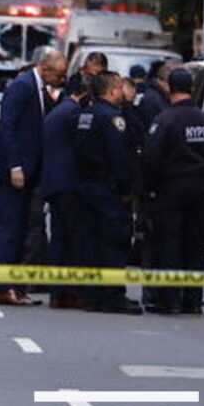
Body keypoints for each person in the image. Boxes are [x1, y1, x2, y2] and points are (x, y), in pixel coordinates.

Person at [0, 49, 67, 306]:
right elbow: (7, 127)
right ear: (45, 69)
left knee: (22, 231)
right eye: (59, 74)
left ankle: (17, 286)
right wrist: (15, 166)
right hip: (14, 171)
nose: (62, 79)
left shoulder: (40, 88)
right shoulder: (22, 87)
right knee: (10, 230)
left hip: (30, 170)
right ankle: (4, 287)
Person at [141, 68, 204, 315]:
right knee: (195, 245)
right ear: (192, 89)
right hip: (198, 190)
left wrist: (148, 189)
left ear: (169, 88)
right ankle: (193, 299)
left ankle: (170, 299)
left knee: (169, 244)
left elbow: (151, 158)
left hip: (170, 189)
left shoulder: (165, 120)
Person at [72, 71, 142, 314]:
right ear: (112, 91)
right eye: (121, 87)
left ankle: (93, 295)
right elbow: (119, 158)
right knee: (114, 241)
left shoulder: (86, 115)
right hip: (108, 190)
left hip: (86, 186)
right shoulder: (112, 118)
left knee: (91, 242)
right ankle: (113, 296)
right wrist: (126, 190)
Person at [40, 74, 90, 310]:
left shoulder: (60, 110)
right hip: (69, 184)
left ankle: (59, 292)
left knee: (60, 239)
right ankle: (70, 291)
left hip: (54, 183)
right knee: (74, 240)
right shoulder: (73, 114)